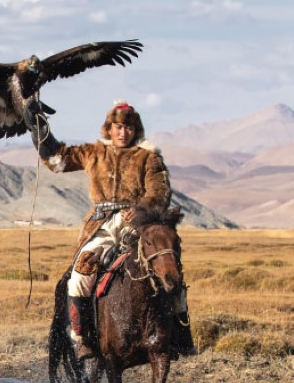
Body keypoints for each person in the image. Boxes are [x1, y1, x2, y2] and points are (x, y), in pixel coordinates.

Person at [23, 98, 193, 359]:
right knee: (81, 272)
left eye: (128, 128)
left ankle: (181, 335)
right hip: (100, 226)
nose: (123, 132)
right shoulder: (94, 153)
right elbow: (58, 159)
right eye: (118, 127)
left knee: (167, 269)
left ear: (135, 130)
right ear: (109, 129)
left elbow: (160, 192)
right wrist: (37, 127)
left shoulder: (149, 158)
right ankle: (80, 338)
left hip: (136, 225)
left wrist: (139, 209)